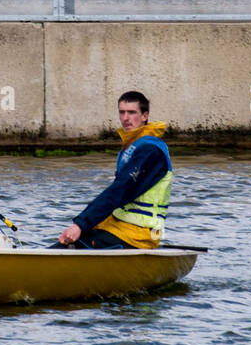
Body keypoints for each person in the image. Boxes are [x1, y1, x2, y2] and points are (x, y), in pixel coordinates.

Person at [55, 91, 172, 249]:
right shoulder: (133, 147)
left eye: (131, 112)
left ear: (145, 116)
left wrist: (80, 225)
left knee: (73, 244)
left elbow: (119, 190)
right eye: (122, 112)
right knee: (69, 241)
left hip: (138, 235)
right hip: (121, 228)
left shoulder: (150, 152)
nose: (125, 118)